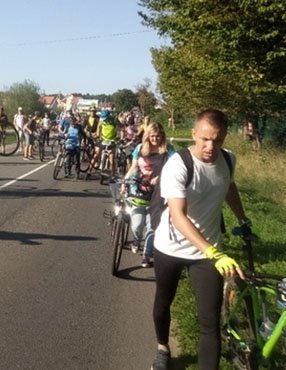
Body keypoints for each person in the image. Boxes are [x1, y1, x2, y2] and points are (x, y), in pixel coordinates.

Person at [150, 109, 250, 370]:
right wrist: (215, 253)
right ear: (194, 134)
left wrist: (242, 218)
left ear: (225, 137)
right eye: (204, 139)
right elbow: (178, 216)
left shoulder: (228, 160)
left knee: (210, 322)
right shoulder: (179, 165)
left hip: (207, 253)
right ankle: (163, 347)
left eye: (217, 140)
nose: (210, 146)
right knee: (163, 300)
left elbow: (228, 186)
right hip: (170, 247)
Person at [122, 122, 175, 268]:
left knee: (152, 225)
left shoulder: (168, 150)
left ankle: (146, 255)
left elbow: (175, 168)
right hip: (138, 189)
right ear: (147, 136)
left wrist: (161, 177)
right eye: (152, 136)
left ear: (162, 136)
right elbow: (133, 167)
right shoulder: (139, 148)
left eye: (158, 136)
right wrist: (125, 181)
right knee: (137, 224)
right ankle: (137, 239)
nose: (155, 139)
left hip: (158, 192)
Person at [86, 109, 118, 179]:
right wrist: (97, 134)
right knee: (96, 154)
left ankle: (113, 175)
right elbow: (99, 127)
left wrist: (119, 137)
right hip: (102, 139)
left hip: (111, 140)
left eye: (105, 118)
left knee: (111, 158)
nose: (104, 120)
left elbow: (120, 128)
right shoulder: (101, 120)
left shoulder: (114, 120)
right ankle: (89, 171)